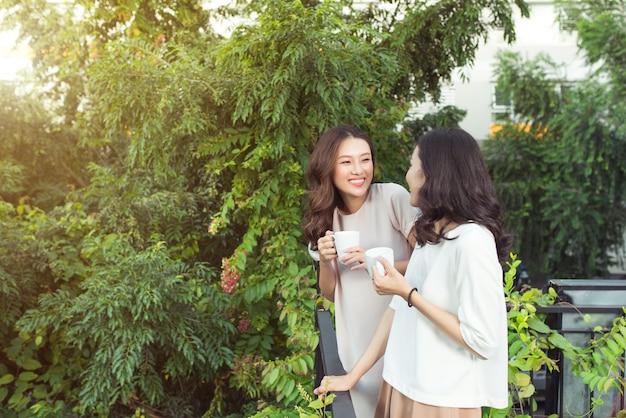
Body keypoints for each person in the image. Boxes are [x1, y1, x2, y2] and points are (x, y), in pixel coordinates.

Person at [314, 127, 512, 417]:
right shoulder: (435, 235)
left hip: (440, 397)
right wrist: (351, 376)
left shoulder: (473, 242)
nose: (407, 176)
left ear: (433, 176)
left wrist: (406, 291)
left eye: (412, 166)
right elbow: (396, 310)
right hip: (402, 384)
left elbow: (481, 340)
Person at [302, 125, 418, 417]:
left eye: (365, 159)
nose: (359, 170)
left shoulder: (393, 198)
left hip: (405, 344)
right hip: (357, 354)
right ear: (328, 167)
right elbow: (329, 294)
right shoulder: (325, 219)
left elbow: (430, 265)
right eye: (346, 161)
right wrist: (328, 261)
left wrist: (374, 261)